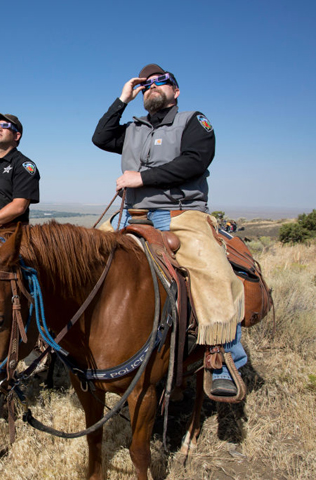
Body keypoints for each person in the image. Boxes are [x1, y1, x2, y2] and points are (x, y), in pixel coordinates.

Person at [92, 64, 246, 397]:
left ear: (176, 91)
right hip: (132, 214)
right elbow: (100, 137)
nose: (152, 87)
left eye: (161, 82)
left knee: (213, 271)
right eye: (146, 84)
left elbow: (196, 160)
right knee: (85, 256)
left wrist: (142, 178)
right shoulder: (134, 128)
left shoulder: (193, 121)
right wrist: (121, 99)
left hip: (180, 214)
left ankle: (224, 358)